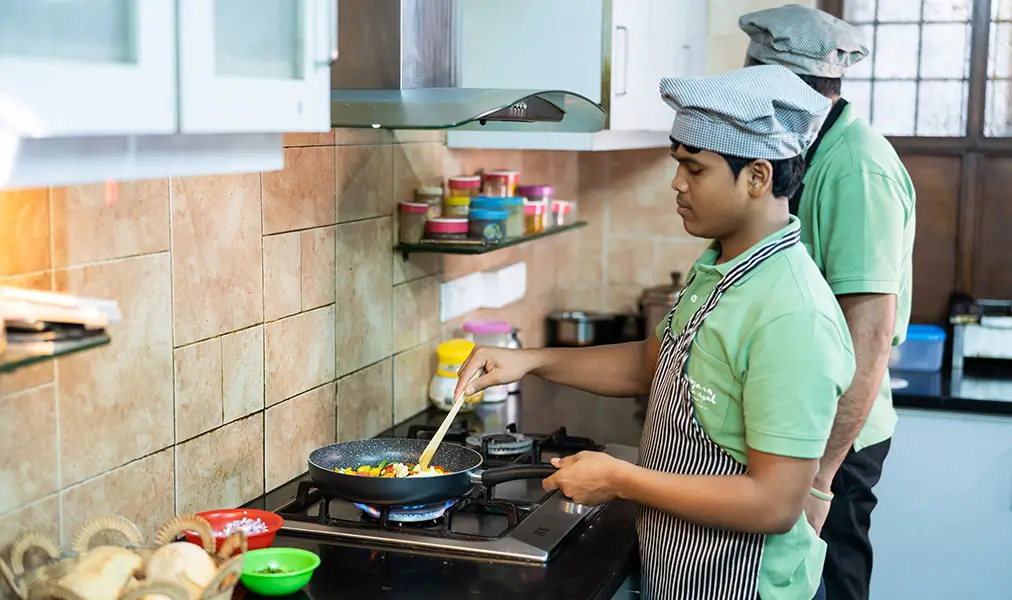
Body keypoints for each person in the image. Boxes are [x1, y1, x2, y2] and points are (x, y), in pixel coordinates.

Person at [455, 65, 855, 600]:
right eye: (677, 164)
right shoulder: (722, 266)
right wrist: (529, 360)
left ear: (757, 177)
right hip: (680, 575)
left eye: (695, 168)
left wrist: (620, 478)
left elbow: (775, 504)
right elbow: (656, 363)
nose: (677, 182)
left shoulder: (792, 315)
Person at [738, 6, 917, 600]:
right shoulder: (807, 151)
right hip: (802, 430)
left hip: (836, 443)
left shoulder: (855, 169)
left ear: (787, 89)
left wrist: (818, 485)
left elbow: (868, 340)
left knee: (830, 585)